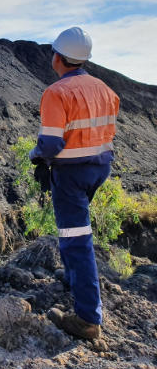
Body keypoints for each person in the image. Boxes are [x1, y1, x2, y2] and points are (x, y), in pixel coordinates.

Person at [29, 27, 119, 341]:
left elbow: (52, 143)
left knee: (75, 237)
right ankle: (71, 276)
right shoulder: (105, 89)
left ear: (58, 57)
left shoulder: (57, 93)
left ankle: (87, 319)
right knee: (73, 229)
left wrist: (36, 155)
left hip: (71, 175)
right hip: (99, 168)